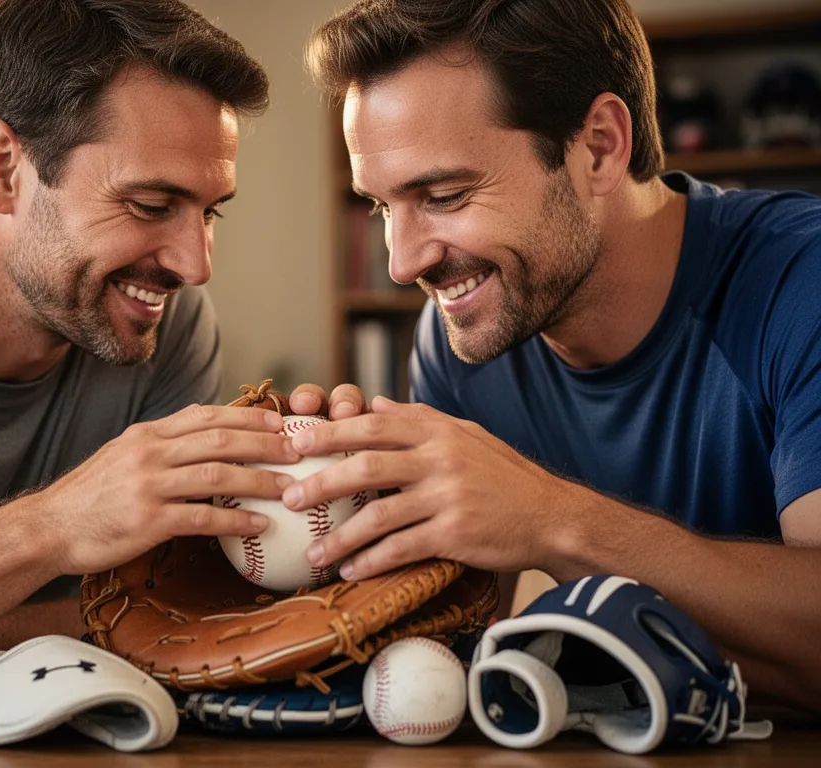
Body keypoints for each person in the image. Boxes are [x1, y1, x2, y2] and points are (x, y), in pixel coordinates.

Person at [283, 0, 821, 712]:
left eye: (442, 195)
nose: (401, 262)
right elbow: (458, 652)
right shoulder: (459, 342)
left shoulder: (800, 282)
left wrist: (549, 518)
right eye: (381, 207)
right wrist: (322, 532)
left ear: (599, 145)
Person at [0, 0, 310, 723]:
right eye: (152, 203)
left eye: (210, 211)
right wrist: (53, 525)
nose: (196, 266)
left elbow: (164, 621)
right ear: (3, 166)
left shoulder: (167, 325)